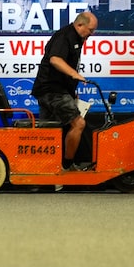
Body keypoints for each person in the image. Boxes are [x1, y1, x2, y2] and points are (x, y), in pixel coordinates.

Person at [31, 11, 98, 170]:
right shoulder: (64, 36)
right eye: (90, 30)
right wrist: (75, 75)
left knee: (50, 130)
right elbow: (55, 59)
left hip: (52, 90)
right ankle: (67, 166)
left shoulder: (77, 38)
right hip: (52, 90)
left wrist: (71, 90)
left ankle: (45, 169)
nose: (91, 34)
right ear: (80, 25)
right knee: (78, 124)